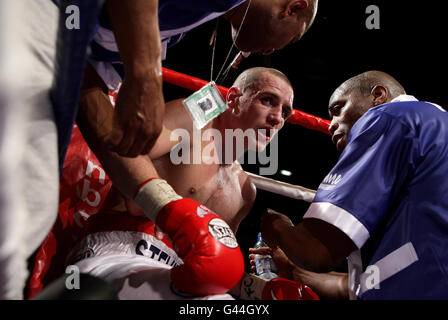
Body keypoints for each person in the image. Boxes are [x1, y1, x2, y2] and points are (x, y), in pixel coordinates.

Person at [53, 66, 317, 300]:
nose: (277, 118)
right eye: (268, 100)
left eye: (285, 111)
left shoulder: (245, 191)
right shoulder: (193, 120)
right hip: (116, 251)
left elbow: (218, 265)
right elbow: (127, 151)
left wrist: (261, 289)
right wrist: (202, 103)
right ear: (234, 99)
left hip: (177, 276)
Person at [259, 70, 448, 299]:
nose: (331, 124)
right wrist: (295, 271)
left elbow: (316, 251)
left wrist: (276, 225)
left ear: (378, 96)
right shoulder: (432, 130)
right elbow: (361, 284)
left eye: (338, 109)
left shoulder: (391, 116)